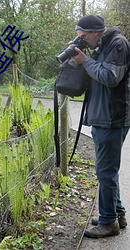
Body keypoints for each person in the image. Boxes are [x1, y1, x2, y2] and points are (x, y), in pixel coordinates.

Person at [72, 15, 130, 238]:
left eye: (84, 37)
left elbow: (109, 77)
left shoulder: (118, 44)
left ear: (96, 32)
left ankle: (108, 223)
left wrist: (85, 61)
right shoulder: (101, 46)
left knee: (105, 171)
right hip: (102, 117)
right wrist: (82, 59)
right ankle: (117, 214)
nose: (83, 41)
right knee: (107, 171)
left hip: (112, 118)